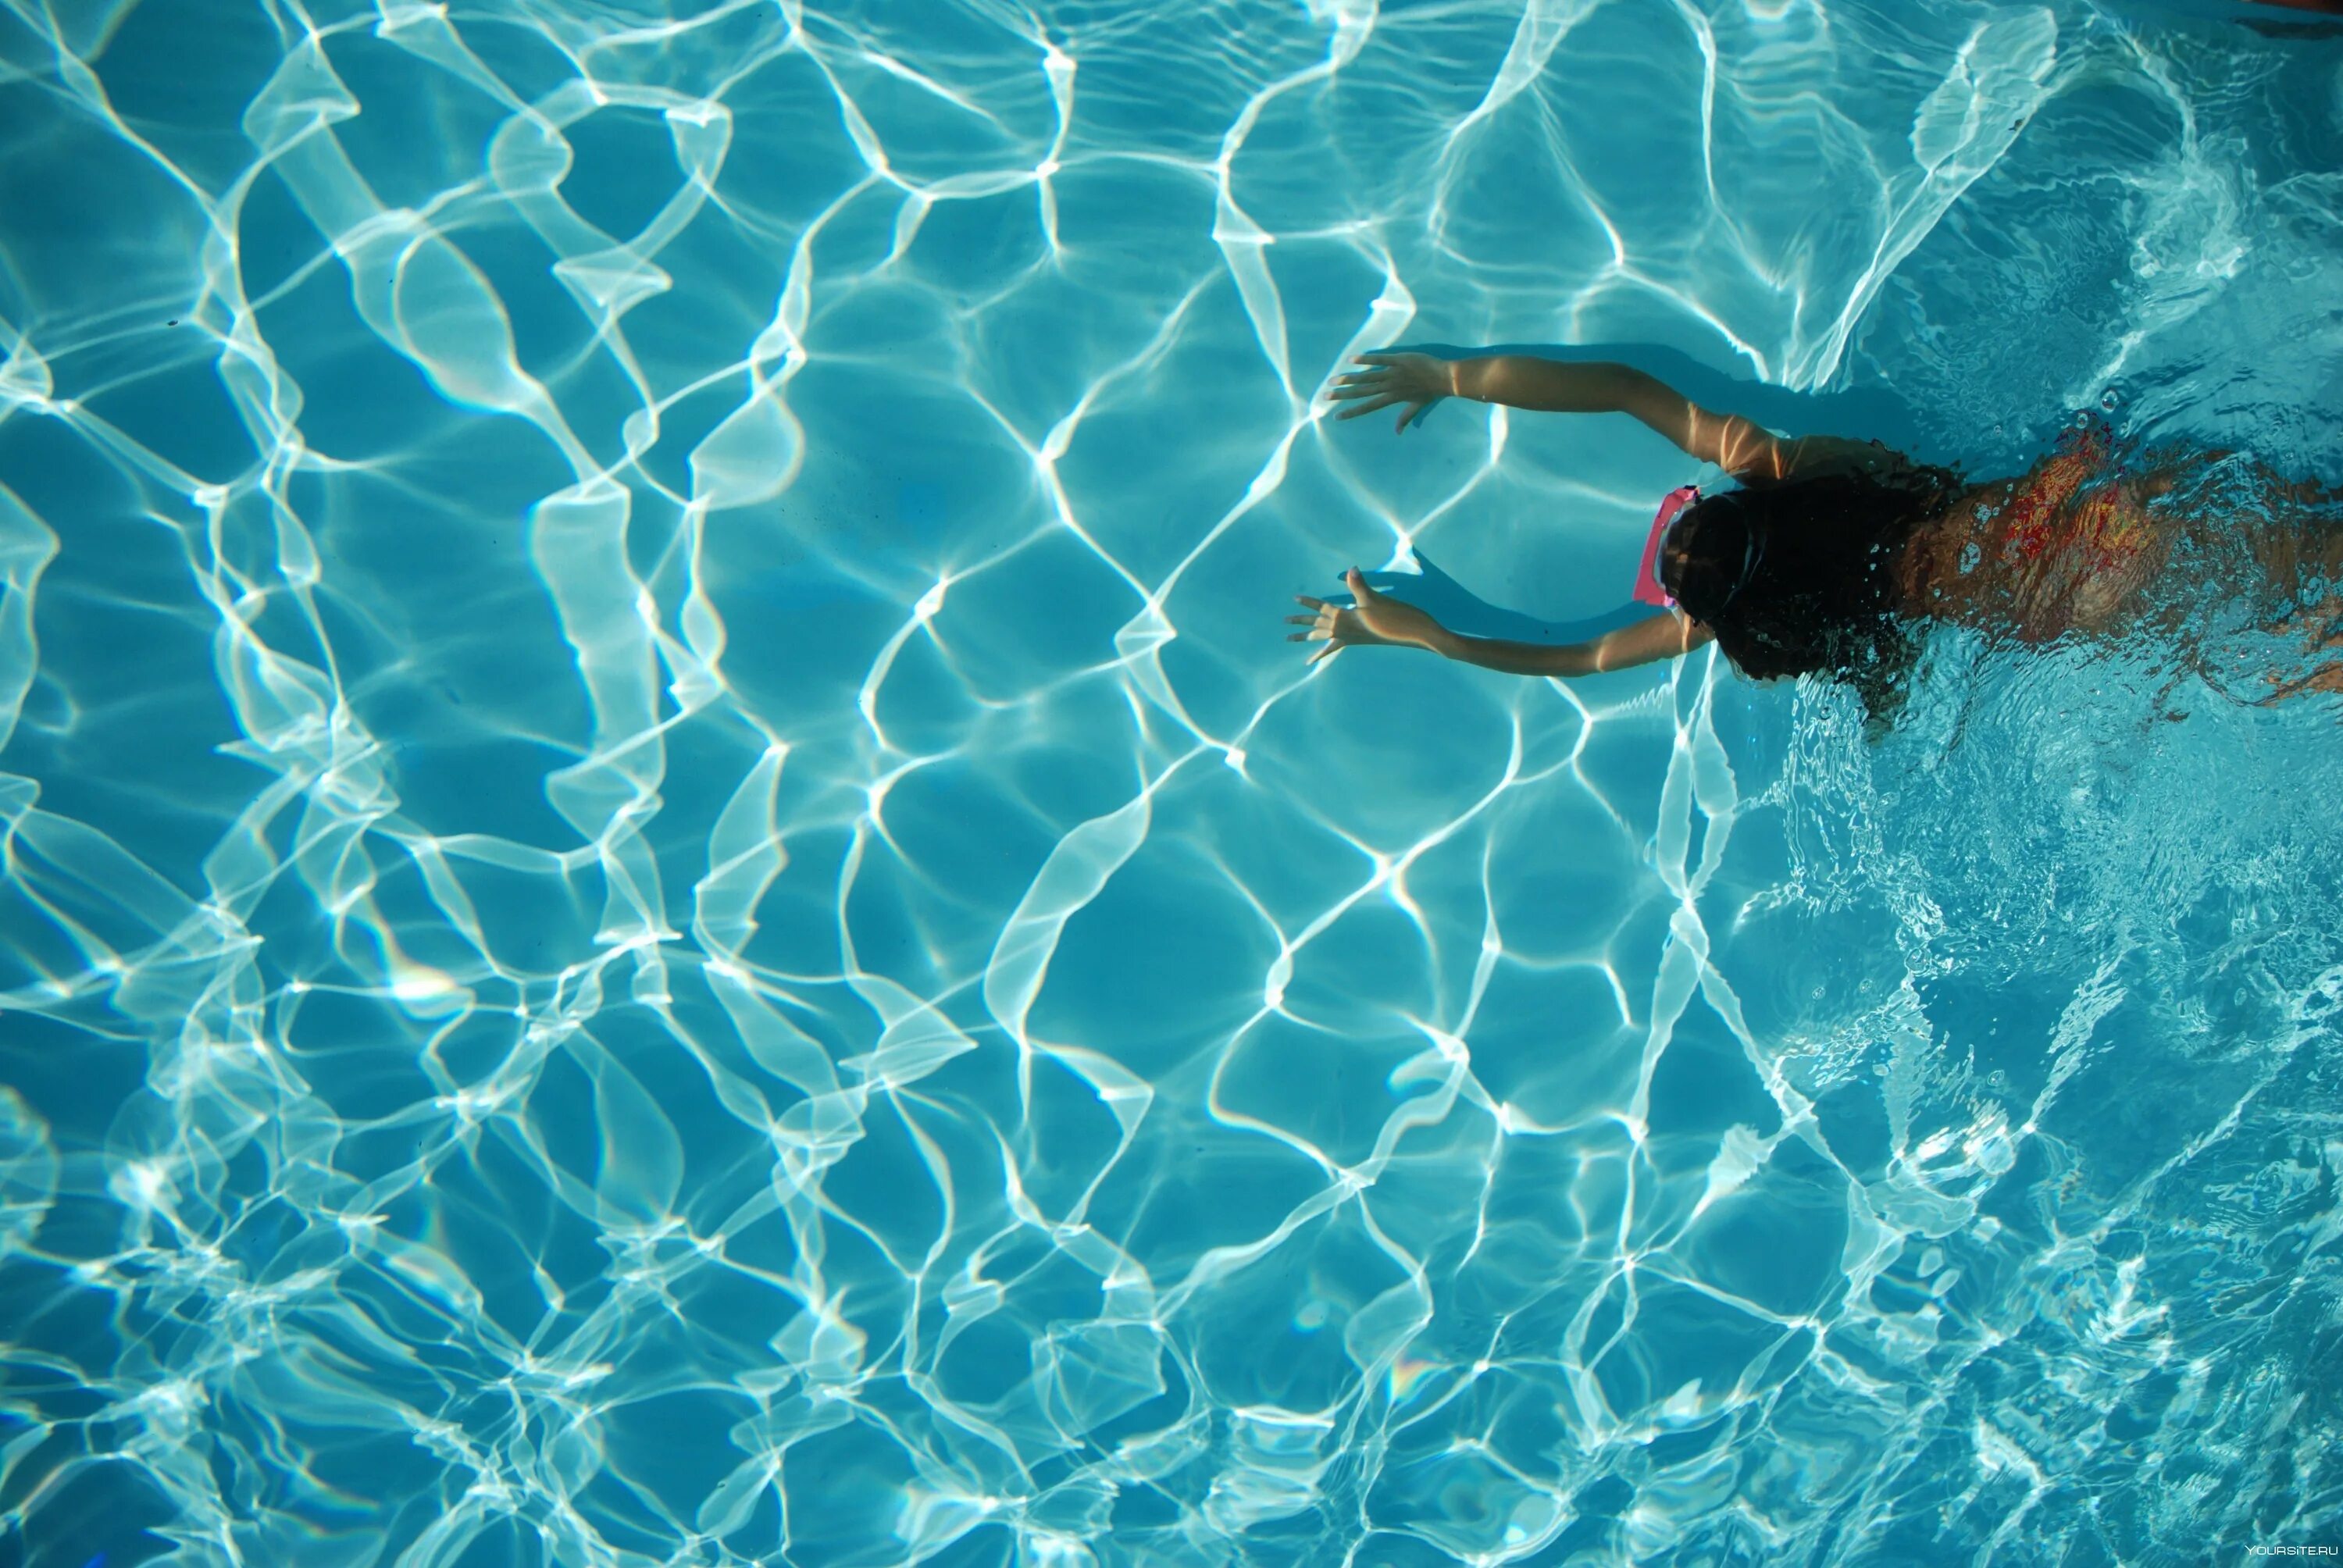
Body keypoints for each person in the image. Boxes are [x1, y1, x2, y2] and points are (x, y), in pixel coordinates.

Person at [1289, 352, 2342, 711]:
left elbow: (1573, 655)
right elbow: (1621, 389)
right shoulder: (1800, 471)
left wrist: (1417, 631)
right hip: (2079, 510)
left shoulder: (1756, 624)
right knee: (2305, 543)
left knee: (2291, 628)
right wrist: (1452, 375)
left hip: (2067, 609)